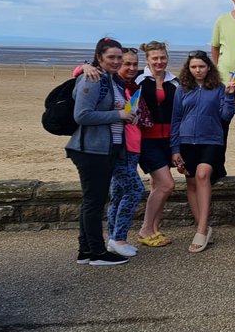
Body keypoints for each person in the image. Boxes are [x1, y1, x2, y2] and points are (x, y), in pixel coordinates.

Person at [66, 38, 135, 266]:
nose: (116, 62)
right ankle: (97, 252)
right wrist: (119, 115)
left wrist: (119, 112)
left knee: (93, 201)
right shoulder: (92, 78)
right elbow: (82, 115)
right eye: (111, 58)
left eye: (119, 58)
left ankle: (85, 251)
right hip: (91, 150)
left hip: (105, 149)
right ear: (99, 58)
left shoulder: (111, 80)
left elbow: (100, 109)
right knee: (94, 202)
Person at [170, 50, 235, 253]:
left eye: (201, 66)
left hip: (211, 140)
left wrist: (229, 96)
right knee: (191, 183)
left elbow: (226, 117)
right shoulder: (181, 89)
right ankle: (204, 226)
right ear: (188, 69)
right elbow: (175, 120)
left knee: (203, 174)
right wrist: (174, 149)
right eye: (193, 67)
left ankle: (200, 230)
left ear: (209, 67)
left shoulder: (219, 88)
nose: (198, 70)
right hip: (186, 141)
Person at [135, 41, 178, 248]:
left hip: (169, 140)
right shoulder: (139, 80)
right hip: (146, 139)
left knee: (157, 185)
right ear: (148, 60)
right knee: (167, 184)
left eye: (162, 57)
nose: (159, 61)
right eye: (155, 58)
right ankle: (145, 229)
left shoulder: (175, 82)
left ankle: (154, 229)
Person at [105, 48, 146, 258]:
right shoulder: (111, 85)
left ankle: (113, 238)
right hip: (118, 149)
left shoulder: (130, 87)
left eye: (134, 64)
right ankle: (118, 238)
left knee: (119, 194)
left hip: (132, 148)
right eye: (126, 63)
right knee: (135, 190)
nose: (131, 68)